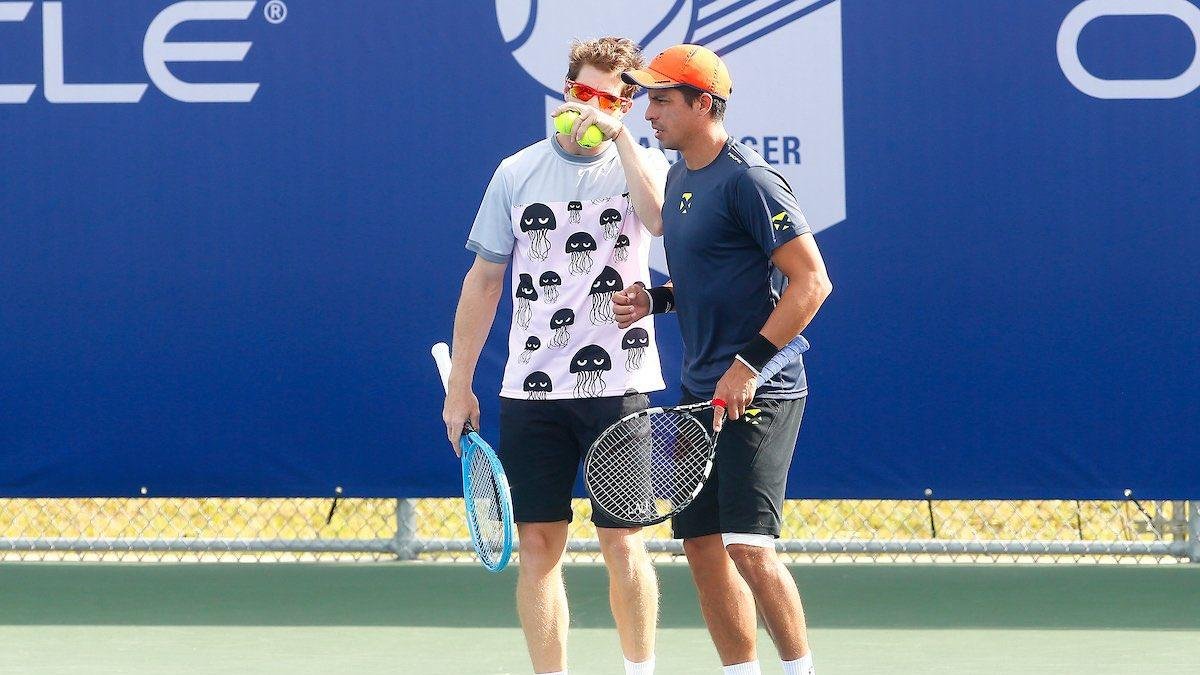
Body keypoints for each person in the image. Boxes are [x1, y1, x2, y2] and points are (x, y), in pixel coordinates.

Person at [441, 37, 670, 675]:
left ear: (628, 105)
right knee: (540, 543)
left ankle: (639, 670)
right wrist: (460, 387)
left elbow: (656, 224)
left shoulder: (641, 163)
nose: (592, 108)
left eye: (611, 98)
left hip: (619, 384)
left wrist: (622, 138)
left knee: (623, 541)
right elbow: (484, 281)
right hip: (532, 391)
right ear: (565, 92)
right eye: (584, 92)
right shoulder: (515, 174)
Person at [615, 45, 833, 675]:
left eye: (660, 99)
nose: (647, 111)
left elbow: (811, 283)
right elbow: (716, 276)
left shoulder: (749, 179)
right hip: (698, 393)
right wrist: (654, 299)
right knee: (703, 548)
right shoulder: (681, 173)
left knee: (750, 548)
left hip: (761, 390)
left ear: (702, 104)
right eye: (647, 98)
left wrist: (749, 365)